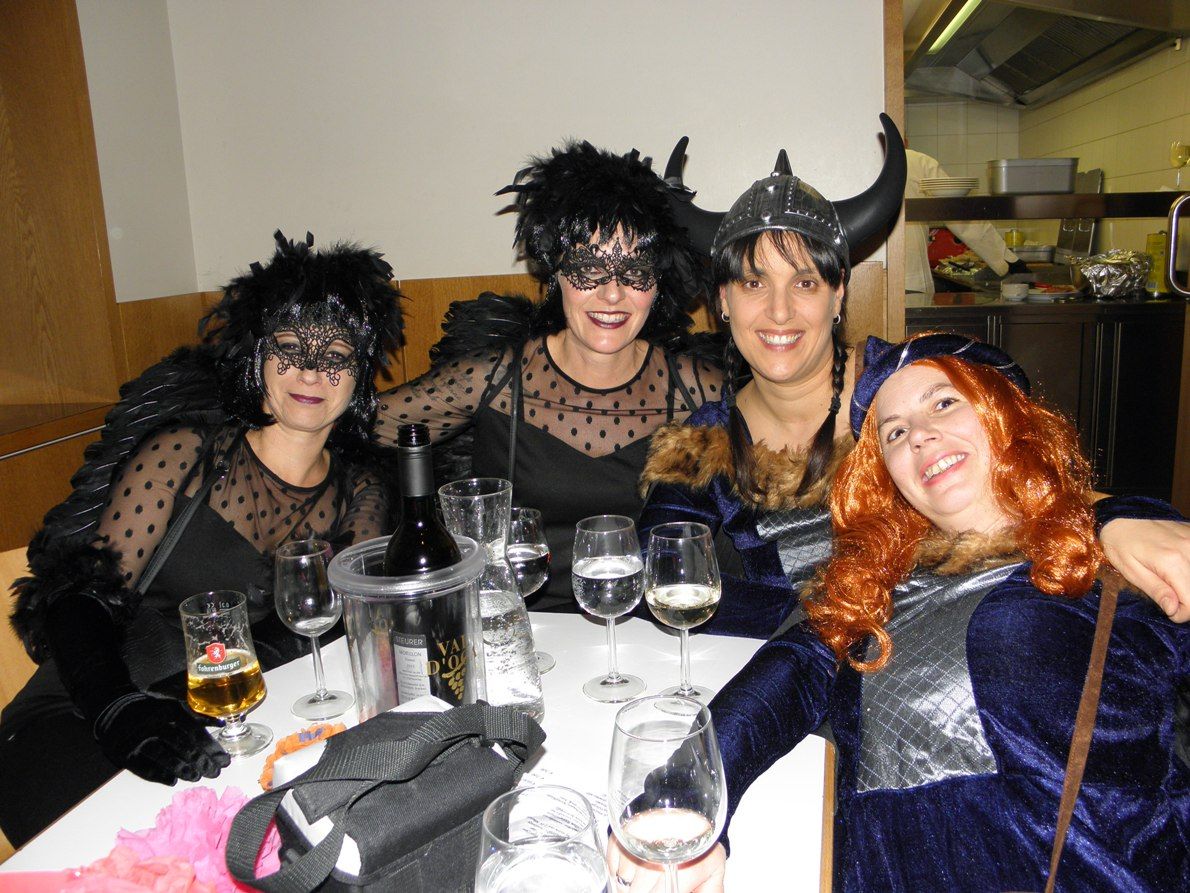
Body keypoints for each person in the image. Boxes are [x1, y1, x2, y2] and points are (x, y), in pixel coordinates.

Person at [614, 333, 1189, 892]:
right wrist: (683, 800)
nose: (919, 434)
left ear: (1003, 414)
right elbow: (782, 680)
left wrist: (1123, 515)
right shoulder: (875, 590)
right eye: (894, 432)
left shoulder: (1108, 560)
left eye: (943, 403)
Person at [639, 115, 1190, 643]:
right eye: (754, 283)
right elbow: (655, 571)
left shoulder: (913, 387)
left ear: (837, 295)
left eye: (804, 283)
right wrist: (823, 616)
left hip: (958, 653)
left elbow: (1037, 478)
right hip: (802, 667)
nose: (779, 312)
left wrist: (1115, 521)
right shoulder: (708, 438)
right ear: (723, 301)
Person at [1, 231, 401, 848]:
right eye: (289, 348)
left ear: (359, 375)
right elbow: (80, 595)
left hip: (224, 725)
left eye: (336, 356)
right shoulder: (187, 453)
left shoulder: (360, 493)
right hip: (87, 711)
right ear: (257, 357)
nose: (309, 372)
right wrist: (119, 709)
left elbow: (337, 620)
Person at [373, 141, 722, 611]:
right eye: (588, 268)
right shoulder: (496, 378)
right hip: (515, 632)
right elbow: (351, 427)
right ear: (555, 272)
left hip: (647, 630)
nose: (612, 294)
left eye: (636, 271)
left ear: (658, 285)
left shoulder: (697, 390)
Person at [905, 146, 1029, 297]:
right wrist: (1007, 259)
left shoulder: (894, 161)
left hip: (885, 279)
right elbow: (957, 212)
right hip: (912, 282)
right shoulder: (916, 161)